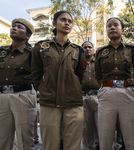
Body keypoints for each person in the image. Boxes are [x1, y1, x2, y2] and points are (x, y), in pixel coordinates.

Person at [31, 10, 84, 150]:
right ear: (54, 23)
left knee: (73, 145)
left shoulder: (78, 51)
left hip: (73, 104)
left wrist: (76, 90)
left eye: (70, 21)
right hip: (49, 103)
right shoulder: (41, 47)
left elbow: (81, 75)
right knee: (50, 144)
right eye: (63, 20)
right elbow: (35, 75)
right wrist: (43, 90)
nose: (67, 23)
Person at [95, 17, 134, 150]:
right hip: (106, 94)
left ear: (122, 30)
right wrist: (108, 87)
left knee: (131, 136)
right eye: (109, 26)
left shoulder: (132, 49)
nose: (112, 27)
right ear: (106, 31)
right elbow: (98, 76)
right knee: (105, 136)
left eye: (115, 25)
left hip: (127, 93)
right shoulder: (100, 52)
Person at [0, 18, 37, 150]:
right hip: (2, 96)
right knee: (3, 137)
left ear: (28, 36)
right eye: (13, 26)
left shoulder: (33, 54)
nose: (14, 28)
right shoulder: (1, 52)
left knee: (24, 138)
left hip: (23, 95)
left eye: (19, 27)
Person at [81, 41, 100, 150]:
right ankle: (88, 147)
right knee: (86, 127)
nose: (87, 49)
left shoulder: (99, 62)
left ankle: (100, 146)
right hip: (83, 97)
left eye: (90, 47)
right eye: (85, 47)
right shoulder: (78, 64)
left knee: (101, 125)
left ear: (93, 49)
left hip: (98, 97)